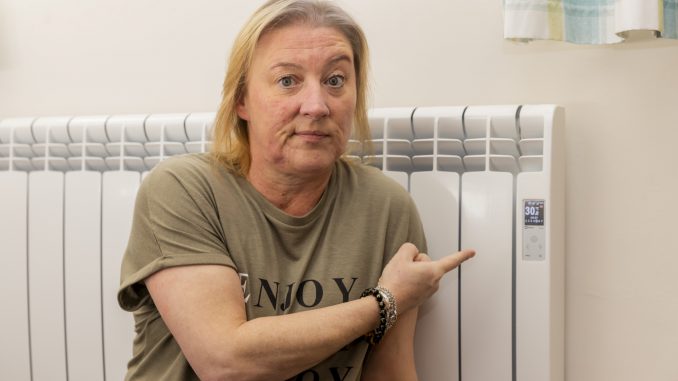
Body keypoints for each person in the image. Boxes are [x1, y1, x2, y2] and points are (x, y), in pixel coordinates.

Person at [118, 1, 475, 380]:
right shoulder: (182, 190)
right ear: (242, 100)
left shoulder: (386, 207)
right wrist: (386, 302)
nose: (317, 105)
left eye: (335, 80)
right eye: (288, 81)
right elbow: (226, 362)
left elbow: (390, 372)